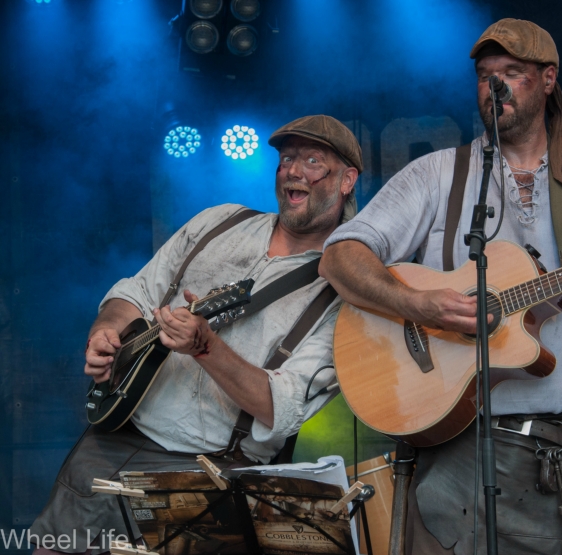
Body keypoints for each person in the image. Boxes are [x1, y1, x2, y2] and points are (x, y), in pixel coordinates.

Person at [320, 19, 562, 555]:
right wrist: (418, 303)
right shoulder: (437, 174)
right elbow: (340, 257)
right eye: (484, 75)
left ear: (547, 80)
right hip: (463, 461)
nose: (493, 85)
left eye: (511, 73)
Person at [31, 115, 362, 554]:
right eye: (286, 159)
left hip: (207, 474)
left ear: (347, 180)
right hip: (113, 439)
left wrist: (207, 347)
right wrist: (107, 330)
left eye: (313, 161)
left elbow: (283, 409)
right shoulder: (220, 221)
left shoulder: (346, 289)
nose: (293, 171)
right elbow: (136, 290)